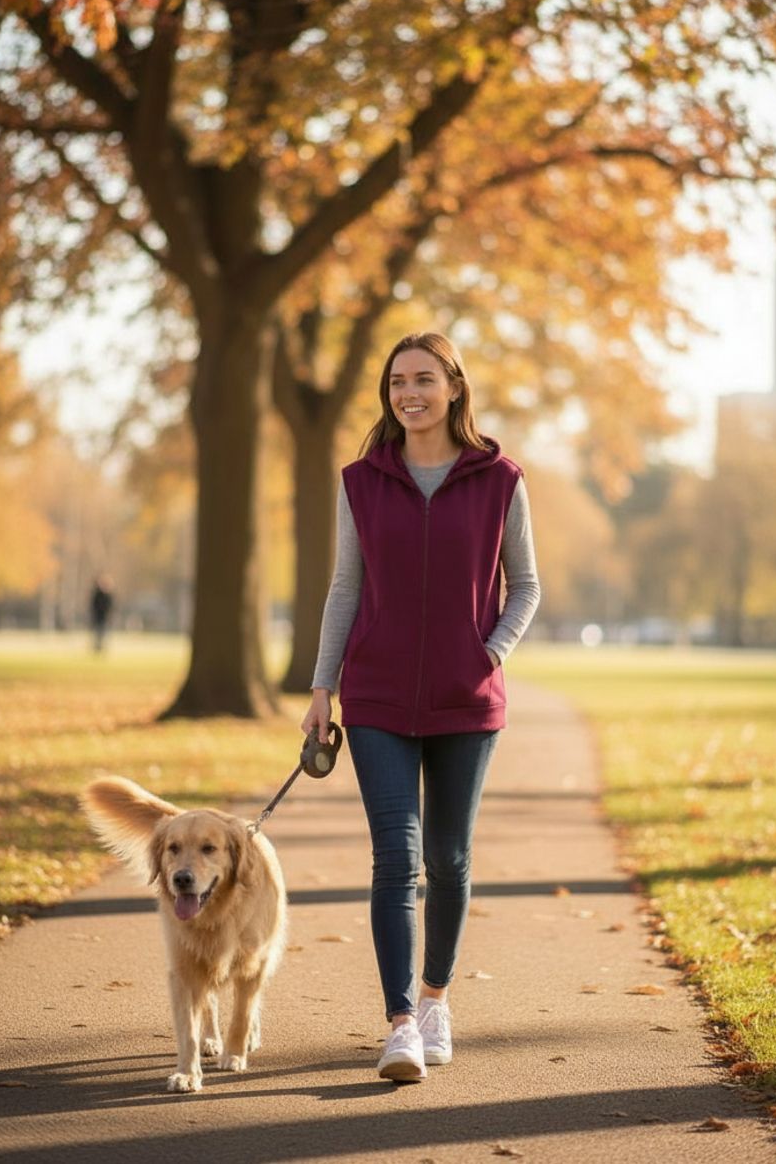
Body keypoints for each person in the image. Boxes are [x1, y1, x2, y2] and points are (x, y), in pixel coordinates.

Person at [302, 331, 540, 1082]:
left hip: (466, 700)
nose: (410, 392)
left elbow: (527, 585)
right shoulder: (360, 481)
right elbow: (345, 588)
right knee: (396, 858)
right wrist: (321, 688)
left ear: (455, 388)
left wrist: (489, 651)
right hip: (374, 696)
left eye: (424, 379)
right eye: (398, 380)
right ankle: (401, 1023)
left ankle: (437, 998)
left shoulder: (500, 478)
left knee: (450, 858)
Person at [89, 575, 115, 652]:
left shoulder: (108, 595)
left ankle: (102, 647)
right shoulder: (97, 594)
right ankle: (97, 647)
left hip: (105, 617)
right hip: (98, 616)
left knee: (104, 633)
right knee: (97, 632)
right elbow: (93, 605)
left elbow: (111, 606)